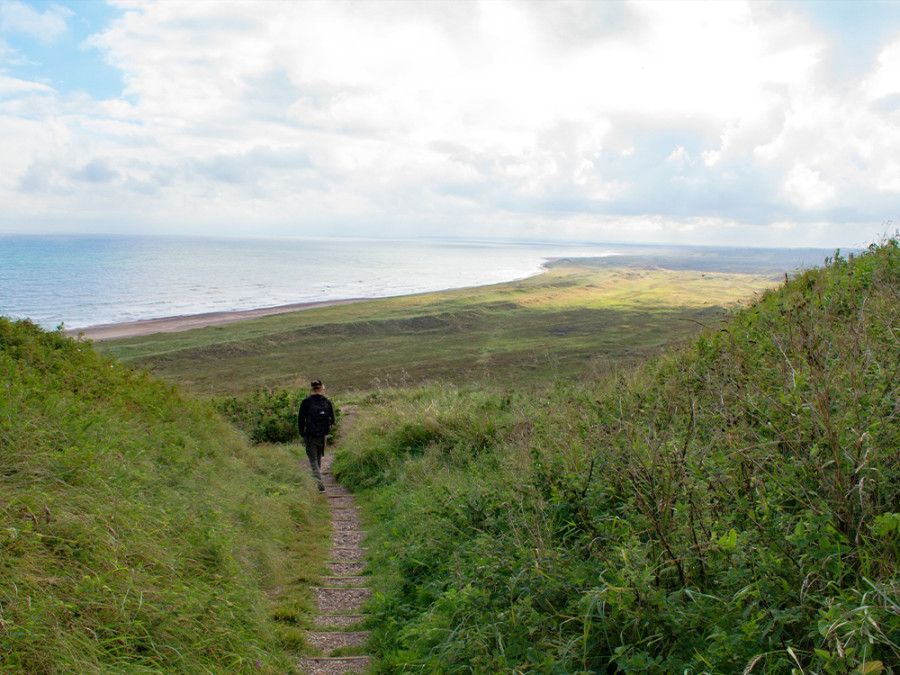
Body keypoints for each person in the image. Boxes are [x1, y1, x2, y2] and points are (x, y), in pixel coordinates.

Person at [297, 378, 335, 492]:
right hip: (322, 435)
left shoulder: (306, 402)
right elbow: (332, 420)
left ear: (311, 388)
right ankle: (317, 481)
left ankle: (319, 485)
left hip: (310, 435)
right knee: (318, 460)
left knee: (313, 461)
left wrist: (302, 433)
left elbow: (300, 419)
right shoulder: (326, 402)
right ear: (322, 387)